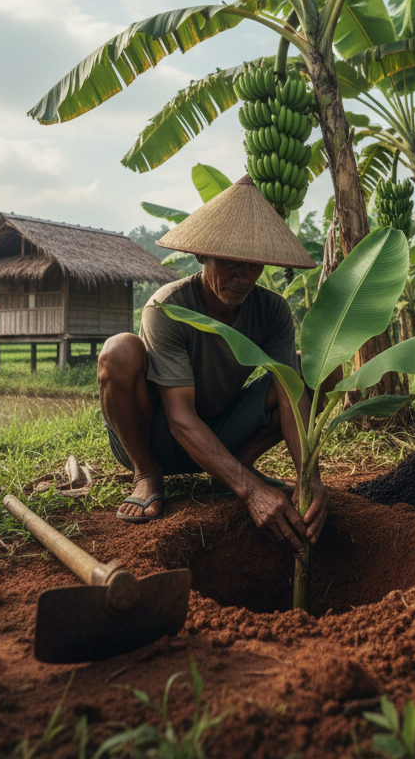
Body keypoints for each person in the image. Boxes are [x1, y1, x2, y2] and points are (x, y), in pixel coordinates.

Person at [98, 175, 337, 551]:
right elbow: (179, 417)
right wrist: (250, 491)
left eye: (254, 267)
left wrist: (312, 480)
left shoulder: (271, 310)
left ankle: (233, 466)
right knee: (119, 350)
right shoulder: (168, 306)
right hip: (156, 434)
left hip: (223, 430)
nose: (243, 278)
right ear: (202, 255)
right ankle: (146, 474)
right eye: (230, 263)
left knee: (309, 371)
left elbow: (289, 397)